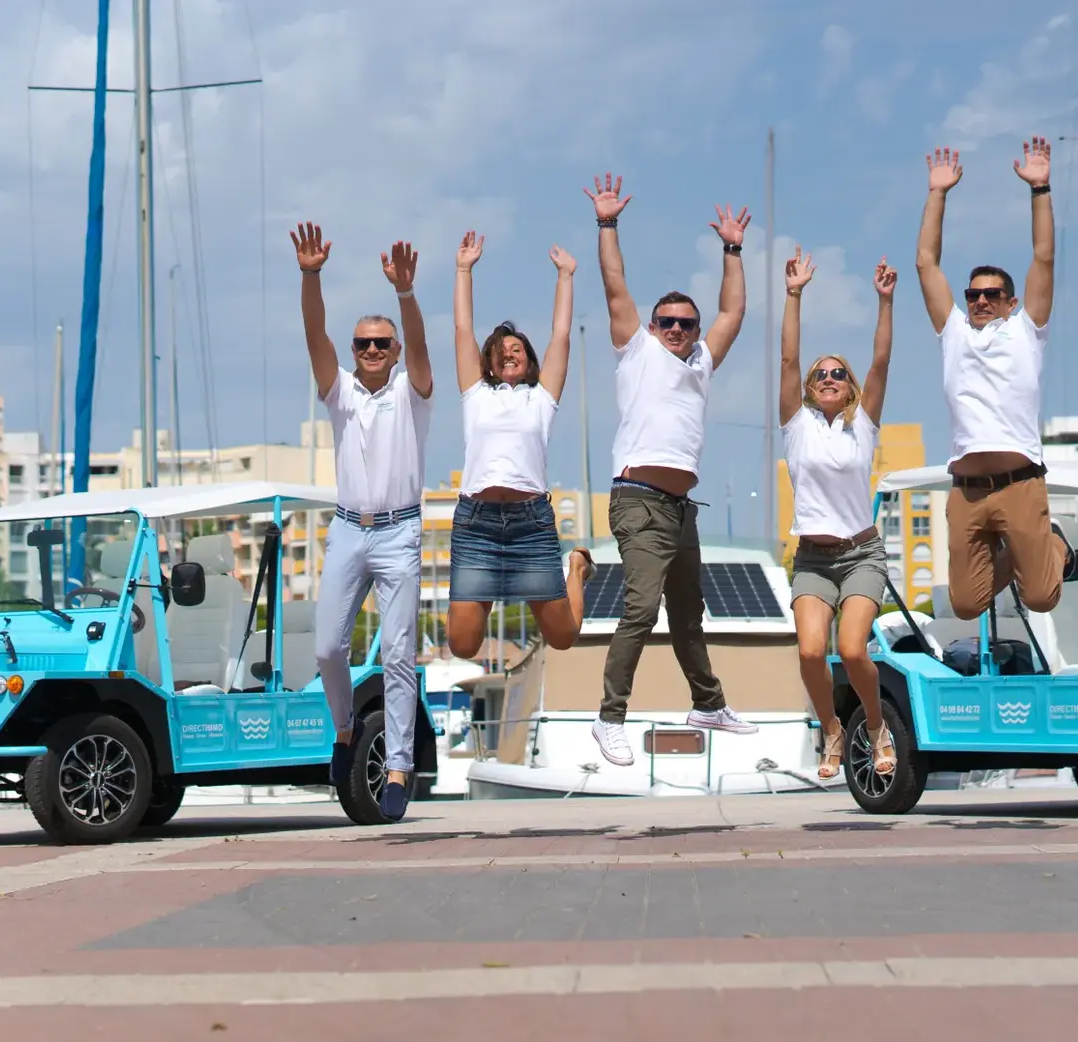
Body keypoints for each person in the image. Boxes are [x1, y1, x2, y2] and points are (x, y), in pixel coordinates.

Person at [584, 172, 758, 767]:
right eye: (669, 323)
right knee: (641, 608)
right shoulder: (637, 350)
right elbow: (614, 285)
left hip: (681, 510)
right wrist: (607, 224)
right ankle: (610, 719)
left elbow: (733, 310)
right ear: (654, 328)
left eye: (687, 322)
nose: (680, 330)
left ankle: (708, 703)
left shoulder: (702, 362)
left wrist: (732, 250)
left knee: (690, 614)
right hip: (638, 500)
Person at [293, 221, 431, 823]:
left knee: (399, 653)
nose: (371, 351)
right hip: (349, 528)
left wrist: (406, 295)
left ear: (394, 352)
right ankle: (345, 729)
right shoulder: (341, 392)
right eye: (363, 344)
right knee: (327, 648)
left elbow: (425, 352)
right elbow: (313, 334)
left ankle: (399, 765)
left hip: (400, 531)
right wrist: (311, 274)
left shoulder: (411, 392)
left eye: (382, 344)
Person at [916, 137, 1078, 621]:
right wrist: (938, 193)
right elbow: (927, 263)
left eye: (993, 294)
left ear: (1011, 301)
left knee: (1041, 598)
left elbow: (1044, 257)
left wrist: (1041, 188)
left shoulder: (1026, 332)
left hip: (1019, 483)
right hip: (967, 489)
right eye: (974, 294)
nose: (981, 301)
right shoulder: (954, 333)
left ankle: (1051, 545)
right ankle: (1019, 555)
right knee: (966, 605)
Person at [779, 247, 899, 781]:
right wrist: (794, 294)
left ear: (849, 387)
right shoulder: (796, 424)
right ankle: (831, 728)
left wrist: (885, 302)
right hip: (812, 556)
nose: (829, 377)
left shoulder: (863, 424)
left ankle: (874, 726)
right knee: (809, 652)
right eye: (820, 374)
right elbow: (786, 359)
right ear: (810, 386)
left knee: (852, 649)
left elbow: (880, 361)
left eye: (838, 374)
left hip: (861, 553)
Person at [446, 230, 595, 659]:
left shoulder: (541, 397)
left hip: (530, 524)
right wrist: (463, 269)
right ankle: (490, 584)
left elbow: (561, 337)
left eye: (517, 348)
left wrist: (566, 277)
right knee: (462, 644)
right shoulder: (476, 393)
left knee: (563, 637)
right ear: (488, 361)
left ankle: (577, 567)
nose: (510, 352)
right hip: (477, 524)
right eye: (501, 349)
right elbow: (461, 328)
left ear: (528, 360)